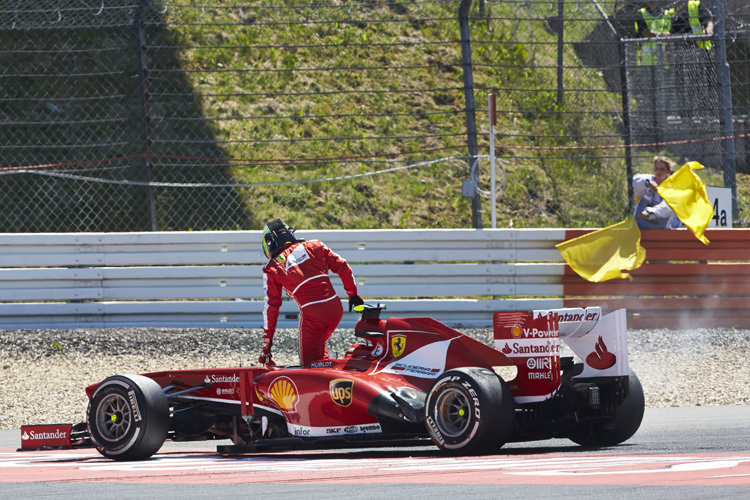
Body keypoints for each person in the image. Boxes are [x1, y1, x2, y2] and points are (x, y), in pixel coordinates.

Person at [259, 219, 364, 366]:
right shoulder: (314, 245)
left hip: (312, 314)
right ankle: (334, 371)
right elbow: (342, 265)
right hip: (335, 308)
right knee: (319, 353)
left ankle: (334, 381)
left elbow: (272, 307)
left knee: (310, 365)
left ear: (269, 243)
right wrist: (353, 293)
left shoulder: (272, 268)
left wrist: (267, 344)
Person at [633, 155, 681, 229]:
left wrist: (649, 212)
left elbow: (667, 207)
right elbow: (635, 181)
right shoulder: (647, 179)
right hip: (638, 229)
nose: (658, 172)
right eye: (656, 168)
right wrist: (648, 183)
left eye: (662, 169)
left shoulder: (673, 189)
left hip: (660, 233)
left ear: (668, 171)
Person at [633, 0, 676, 66]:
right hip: (646, 59)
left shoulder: (667, 14)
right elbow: (644, 32)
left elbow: (672, 32)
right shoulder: (641, 13)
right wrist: (661, 35)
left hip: (664, 58)